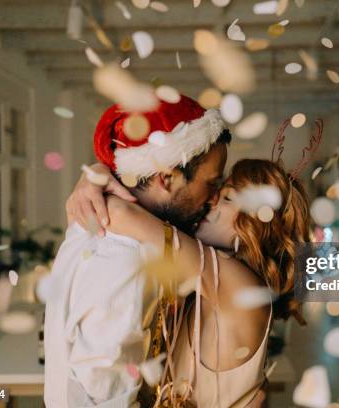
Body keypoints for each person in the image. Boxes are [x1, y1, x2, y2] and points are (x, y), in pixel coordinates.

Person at [69, 156, 312, 406]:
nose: (212, 200)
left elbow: (118, 214)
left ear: (257, 226)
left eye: (227, 198)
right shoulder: (204, 286)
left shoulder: (243, 289)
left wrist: (92, 178)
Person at [44, 95, 230, 408]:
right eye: (211, 183)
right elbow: (104, 395)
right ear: (166, 177)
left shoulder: (97, 223)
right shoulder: (125, 259)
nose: (213, 198)